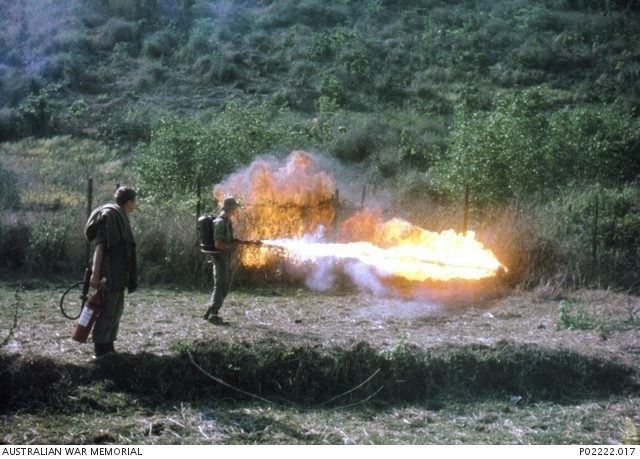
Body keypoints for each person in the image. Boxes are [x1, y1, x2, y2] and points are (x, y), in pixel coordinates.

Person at [85, 186, 138, 359]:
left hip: (119, 274)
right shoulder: (109, 217)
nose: (135, 206)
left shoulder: (120, 217)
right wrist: (95, 274)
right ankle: (100, 350)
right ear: (129, 202)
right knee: (107, 311)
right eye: (134, 202)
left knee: (116, 311)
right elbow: (100, 247)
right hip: (108, 273)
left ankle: (109, 346)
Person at [204, 195, 240, 324]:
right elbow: (218, 244)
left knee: (224, 286)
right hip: (220, 259)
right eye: (234, 208)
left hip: (225, 258)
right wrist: (232, 246)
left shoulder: (227, 221)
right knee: (220, 286)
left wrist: (234, 242)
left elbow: (225, 241)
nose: (236, 210)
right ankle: (213, 314)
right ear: (229, 209)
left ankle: (211, 311)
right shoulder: (220, 222)